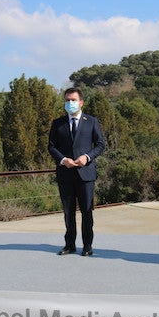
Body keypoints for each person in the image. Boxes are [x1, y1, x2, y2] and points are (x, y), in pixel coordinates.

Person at [48, 87, 105, 256]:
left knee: (87, 211)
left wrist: (87, 157)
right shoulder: (57, 123)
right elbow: (51, 146)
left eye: (73, 100)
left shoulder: (91, 121)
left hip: (86, 174)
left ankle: (87, 246)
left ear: (81, 102)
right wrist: (63, 160)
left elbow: (100, 144)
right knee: (68, 212)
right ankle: (69, 244)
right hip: (65, 174)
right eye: (67, 100)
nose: (70, 103)